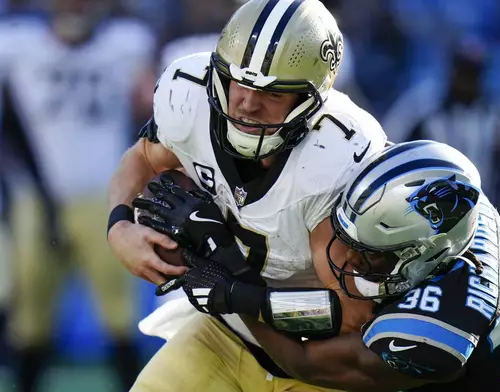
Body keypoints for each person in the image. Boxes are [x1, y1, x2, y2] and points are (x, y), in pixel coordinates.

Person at [147, 141, 500, 392]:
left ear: (424, 254)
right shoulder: (457, 215)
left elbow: (310, 363)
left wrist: (235, 288)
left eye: (373, 254)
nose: (353, 261)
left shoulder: (438, 325)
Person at [106, 0, 387, 390]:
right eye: (241, 82)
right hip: (224, 335)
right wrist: (118, 225)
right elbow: (141, 158)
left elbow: (352, 313)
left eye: (273, 94)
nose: (249, 103)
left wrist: (239, 290)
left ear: (308, 103)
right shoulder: (191, 97)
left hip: (317, 361)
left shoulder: (335, 160)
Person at [0, 0, 156, 390]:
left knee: (119, 315)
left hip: (105, 196)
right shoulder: (18, 44)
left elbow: (151, 113)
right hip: (35, 198)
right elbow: (9, 126)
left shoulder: (127, 43)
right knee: (30, 317)